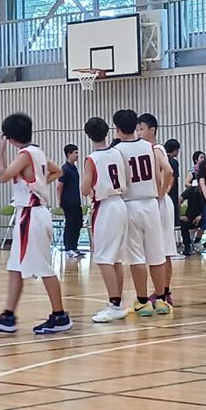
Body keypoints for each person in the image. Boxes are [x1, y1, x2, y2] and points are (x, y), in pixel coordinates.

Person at [0, 113, 73, 335]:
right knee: (15, 267)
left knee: (43, 268)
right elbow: (57, 170)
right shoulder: (37, 152)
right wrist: (40, 184)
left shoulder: (24, 155)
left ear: (10, 137)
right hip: (31, 214)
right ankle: (8, 315)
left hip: (31, 215)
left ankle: (60, 315)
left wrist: (0, 152)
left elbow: (3, 176)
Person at [113, 109, 170, 316]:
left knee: (136, 256)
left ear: (118, 129)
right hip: (151, 202)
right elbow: (159, 175)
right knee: (157, 254)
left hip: (130, 203)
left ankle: (143, 301)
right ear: (135, 126)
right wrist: (159, 195)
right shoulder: (149, 146)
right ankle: (161, 300)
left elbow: (118, 181)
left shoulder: (117, 151)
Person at [81, 117, 128, 322]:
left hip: (105, 207)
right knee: (115, 258)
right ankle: (117, 303)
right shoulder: (117, 152)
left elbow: (84, 190)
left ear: (88, 134)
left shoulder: (92, 159)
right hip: (120, 203)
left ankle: (115, 305)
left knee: (103, 258)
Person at [137, 113, 176, 306]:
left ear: (152, 130)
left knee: (163, 249)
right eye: (137, 129)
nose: (138, 132)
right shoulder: (147, 149)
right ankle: (163, 291)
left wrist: (161, 193)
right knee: (161, 249)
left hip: (159, 203)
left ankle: (164, 291)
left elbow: (169, 171)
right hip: (158, 202)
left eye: (141, 129)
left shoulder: (155, 148)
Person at [57, 143, 84, 259]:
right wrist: (60, 202)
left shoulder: (74, 168)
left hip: (76, 201)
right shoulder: (65, 169)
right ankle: (68, 248)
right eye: (75, 153)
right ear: (69, 154)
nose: (77, 155)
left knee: (78, 223)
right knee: (70, 225)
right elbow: (59, 186)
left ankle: (74, 247)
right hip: (68, 202)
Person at [179, 185, 203, 256]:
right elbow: (179, 200)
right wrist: (179, 216)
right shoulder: (191, 189)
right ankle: (187, 246)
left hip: (203, 216)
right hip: (190, 216)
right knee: (183, 224)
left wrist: (201, 216)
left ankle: (197, 242)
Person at [164, 138, 181, 228]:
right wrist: (168, 190)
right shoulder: (174, 162)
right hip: (171, 193)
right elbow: (173, 178)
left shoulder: (161, 159)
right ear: (175, 150)